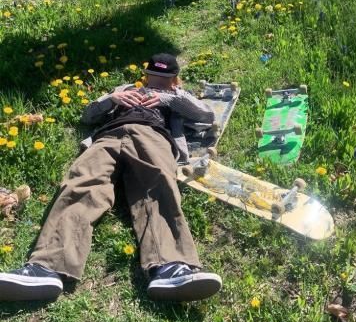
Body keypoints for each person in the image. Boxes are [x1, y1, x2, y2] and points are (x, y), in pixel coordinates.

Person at [0, 53, 222, 303]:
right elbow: (87, 116)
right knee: (81, 184)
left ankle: (171, 265)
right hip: (108, 136)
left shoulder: (177, 96)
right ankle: (47, 267)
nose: (157, 81)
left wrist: (168, 98)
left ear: (174, 80)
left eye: (165, 78)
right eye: (154, 76)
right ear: (146, 74)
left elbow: (206, 116)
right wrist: (111, 99)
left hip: (152, 135)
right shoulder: (125, 89)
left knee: (157, 184)